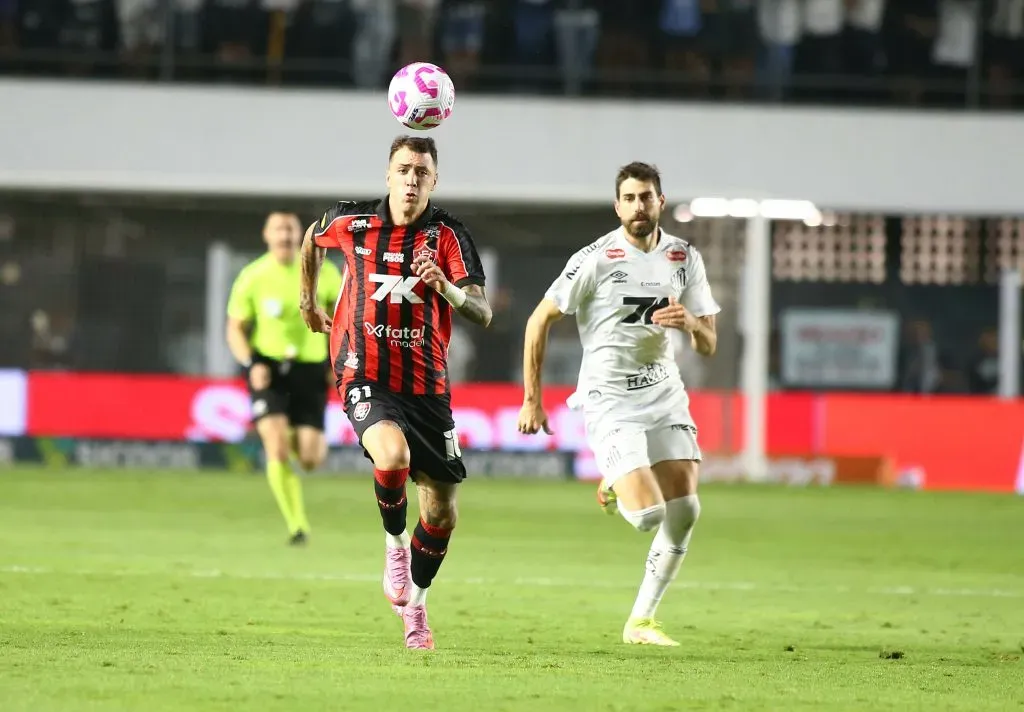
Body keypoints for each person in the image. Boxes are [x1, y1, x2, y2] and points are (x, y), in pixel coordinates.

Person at [298, 135, 492, 650]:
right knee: (392, 452)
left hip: (427, 386)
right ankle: (394, 547)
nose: (411, 179)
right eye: (403, 169)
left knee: (442, 511)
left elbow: (482, 310)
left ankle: (417, 612)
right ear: (387, 175)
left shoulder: (449, 235)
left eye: (421, 172)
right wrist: (307, 301)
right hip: (364, 371)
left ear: (434, 181)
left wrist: (445, 288)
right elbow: (309, 241)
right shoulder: (351, 222)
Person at [517, 162, 720, 647]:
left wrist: (691, 323)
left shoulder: (684, 258)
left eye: (646, 197)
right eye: (629, 198)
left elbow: (709, 342)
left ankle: (641, 621)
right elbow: (538, 320)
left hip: (663, 389)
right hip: (610, 396)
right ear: (617, 206)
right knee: (648, 516)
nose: (638, 206)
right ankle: (612, 482)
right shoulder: (596, 258)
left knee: (687, 508)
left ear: (660, 202)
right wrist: (532, 400)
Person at [226, 211, 343, 546]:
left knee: (310, 458)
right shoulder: (253, 276)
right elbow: (235, 328)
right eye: (278, 230)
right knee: (275, 448)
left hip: (311, 369)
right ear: (267, 235)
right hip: (269, 370)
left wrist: (339, 358)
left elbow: (342, 318)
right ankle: (298, 526)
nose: (285, 236)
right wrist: (250, 363)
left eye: (291, 230)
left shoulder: (326, 272)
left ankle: (288, 429)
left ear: (300, 237)